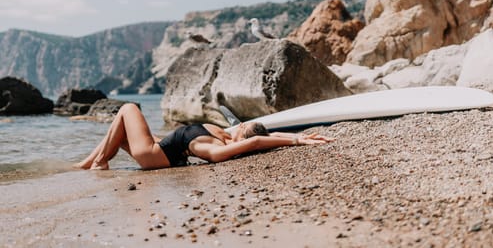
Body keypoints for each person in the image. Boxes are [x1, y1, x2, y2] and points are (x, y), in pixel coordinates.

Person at [74, 103, 334, 170]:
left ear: (242, 135)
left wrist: (296, 141)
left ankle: (97, 163)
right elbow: (262, 136)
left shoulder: (218, 149)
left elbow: (256, 141)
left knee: (128, 109)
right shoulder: (225, 136)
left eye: (242, 127)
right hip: (158, 149)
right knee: (118, 134)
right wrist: (297, 134)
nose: (239, 125)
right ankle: (88, 165)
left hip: (153, 156)